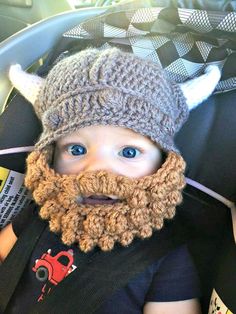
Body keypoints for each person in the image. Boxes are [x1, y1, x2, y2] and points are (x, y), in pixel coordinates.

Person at [0, 47, 220, 314]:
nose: (97, 170)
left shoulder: (164, 255)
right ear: (51, 156)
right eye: (76, 150)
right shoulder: (40, 215)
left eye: (128, 152)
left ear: (162, 163)